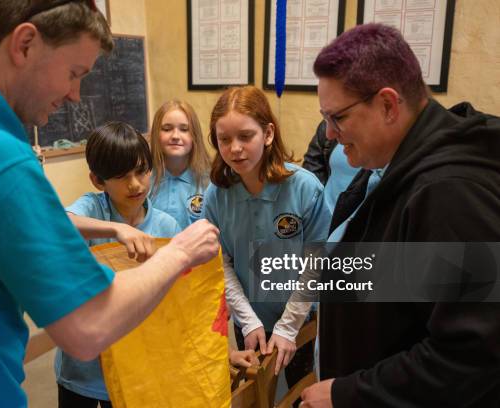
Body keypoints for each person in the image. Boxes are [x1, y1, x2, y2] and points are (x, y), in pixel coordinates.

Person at [0, 1, 219, 407]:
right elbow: (87, 327)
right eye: (73, 73)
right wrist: (180, 252)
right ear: (25, 44)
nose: (76, 95)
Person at [300, 23, 500, 407]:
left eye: (337, 118)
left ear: (388, 105)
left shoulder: (449, 193)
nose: (328, 135)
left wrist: (347, 393)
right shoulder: (394, 166)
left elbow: (472, 354)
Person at [202, 86, 330, 384]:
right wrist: (247, 322)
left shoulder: (305, 188)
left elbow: (316, 264)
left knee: (298, 395)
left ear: (268, 134)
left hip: (299, 317)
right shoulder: (216, 196)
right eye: (224, 139)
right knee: (257, 395)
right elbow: (222, 264)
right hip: (250, 320)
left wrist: (288, 327)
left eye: (246, 136)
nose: (235, 148)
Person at [55, 121, 181, 407]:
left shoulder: (166, 225)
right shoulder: (93, 209)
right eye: (122, 176)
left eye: (141, 171)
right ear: (98, 181)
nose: (135, 184)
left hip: (137, 366)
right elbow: (56, 223)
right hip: (82, 369)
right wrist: (115, 230)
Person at [149, 99, 211, 229]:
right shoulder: (144, 178)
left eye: (184, 129)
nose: (175, 136)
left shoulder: (209, 181)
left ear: (195, 135)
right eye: (167, 129)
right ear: (156, 135)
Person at [302, 121, 360, 213]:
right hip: (324, 217)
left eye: (341, 117)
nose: (329, 133)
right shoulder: (328, 126)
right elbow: (313, 166)